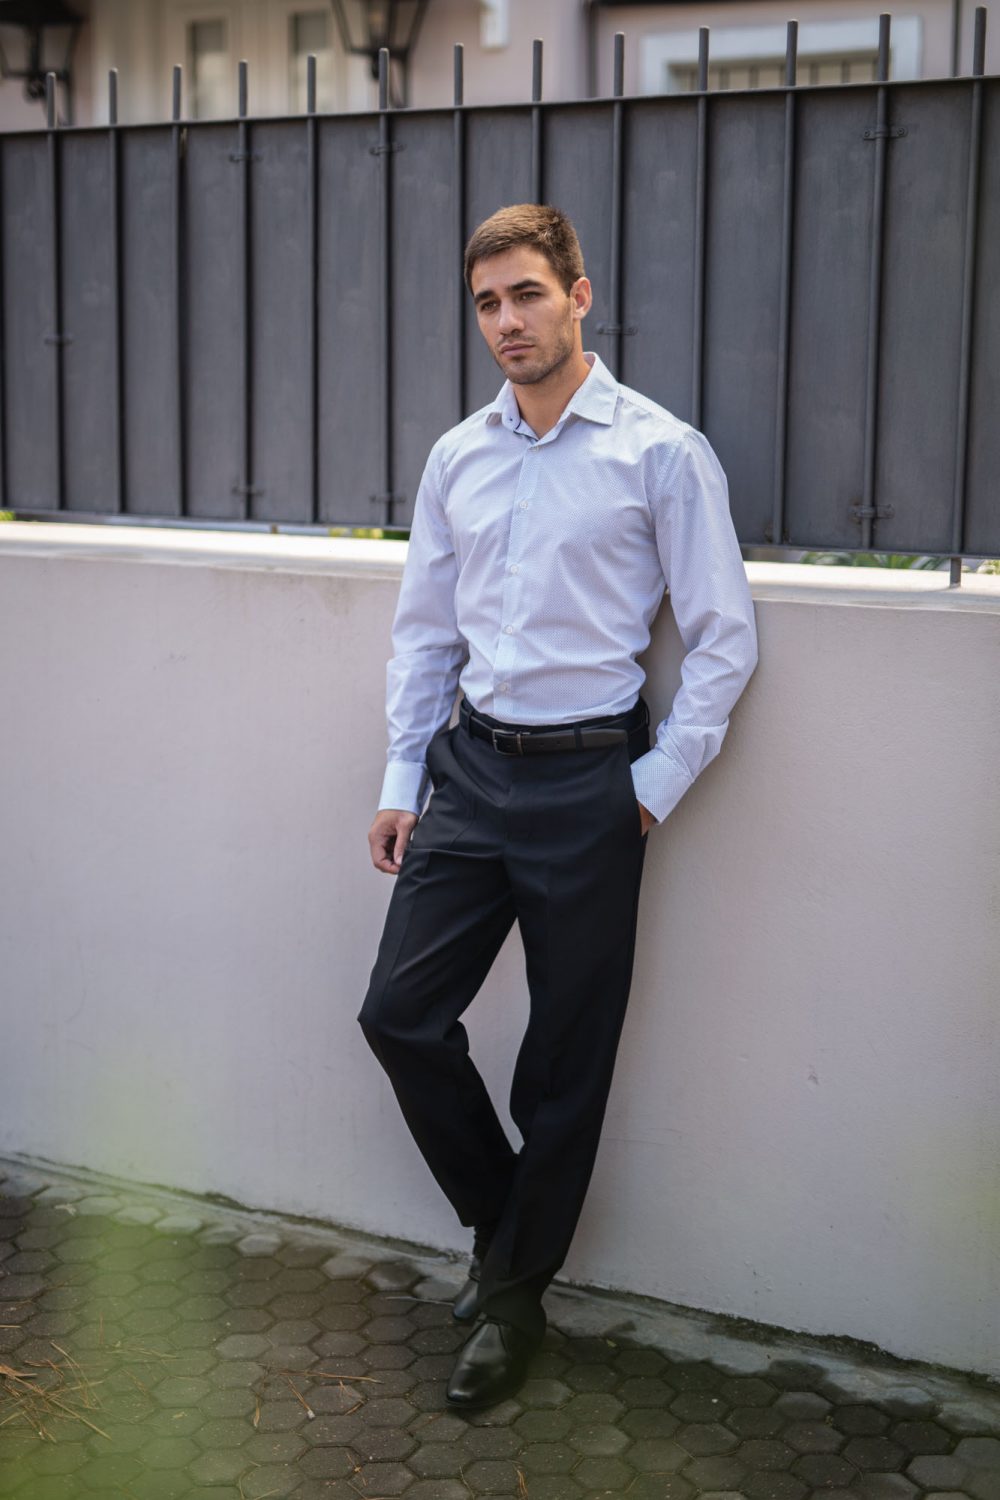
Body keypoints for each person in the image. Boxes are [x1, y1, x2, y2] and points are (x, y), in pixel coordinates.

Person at [359, 204, 758, 1411]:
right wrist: (401, 780)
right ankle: (507, 1235)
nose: (506, 322)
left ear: (579, 296)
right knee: (398, 1015)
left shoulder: (659, 452)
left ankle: (513, 1303)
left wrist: (649, 789)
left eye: (527, 294)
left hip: (592, 782)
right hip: (470, 771)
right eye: (487, 303)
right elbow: (425, 634)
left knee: (563, 1060)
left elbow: (724, 640)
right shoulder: (457, 457)